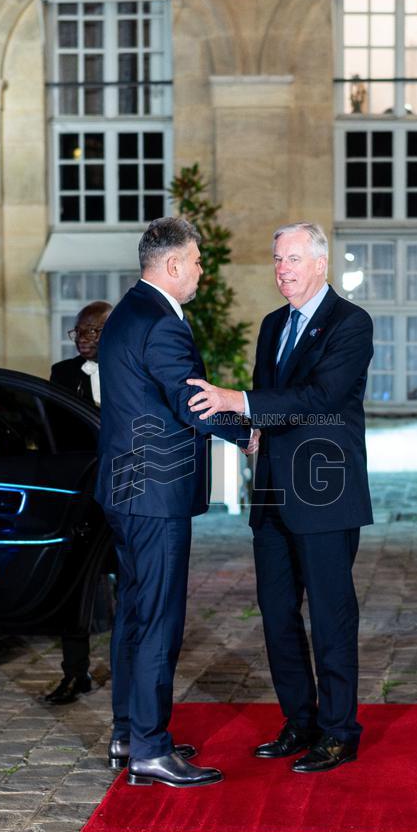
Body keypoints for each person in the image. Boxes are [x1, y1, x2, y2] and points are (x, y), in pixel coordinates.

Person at [187, 221, 373, 773]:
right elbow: (275, 399)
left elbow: (321, 397)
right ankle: (301, 719)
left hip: (325, 492)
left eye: (293, 259)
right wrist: (253, 430)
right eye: (276, 260)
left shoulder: (350, 323)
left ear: (321, 264)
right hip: (271, 491)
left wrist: (239, 400)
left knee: (332, 617)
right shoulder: (272, 325)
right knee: (275, 613)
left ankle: (340, 732)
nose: (282, 269)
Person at [96, 217, 252, 789]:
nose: (202, 270)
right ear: (172, 266)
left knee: (134, 615)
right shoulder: (161, 323)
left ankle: (127, 733)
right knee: (159, 620)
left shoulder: (125, 314)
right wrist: (250, 433)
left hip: (126, 492)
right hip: (155, 499)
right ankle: (152, 750)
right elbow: (193, 403)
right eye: (198, 261)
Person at [45, 300, 113, 704]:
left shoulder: (127, 368)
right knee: (75, 583)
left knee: (129, 579)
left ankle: (131, 670)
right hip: (79, 493)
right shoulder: (62, 373)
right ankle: (75, 673)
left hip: (124, 489)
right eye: (78, 332)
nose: (83, 340)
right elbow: (53, 426)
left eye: (93, 332)